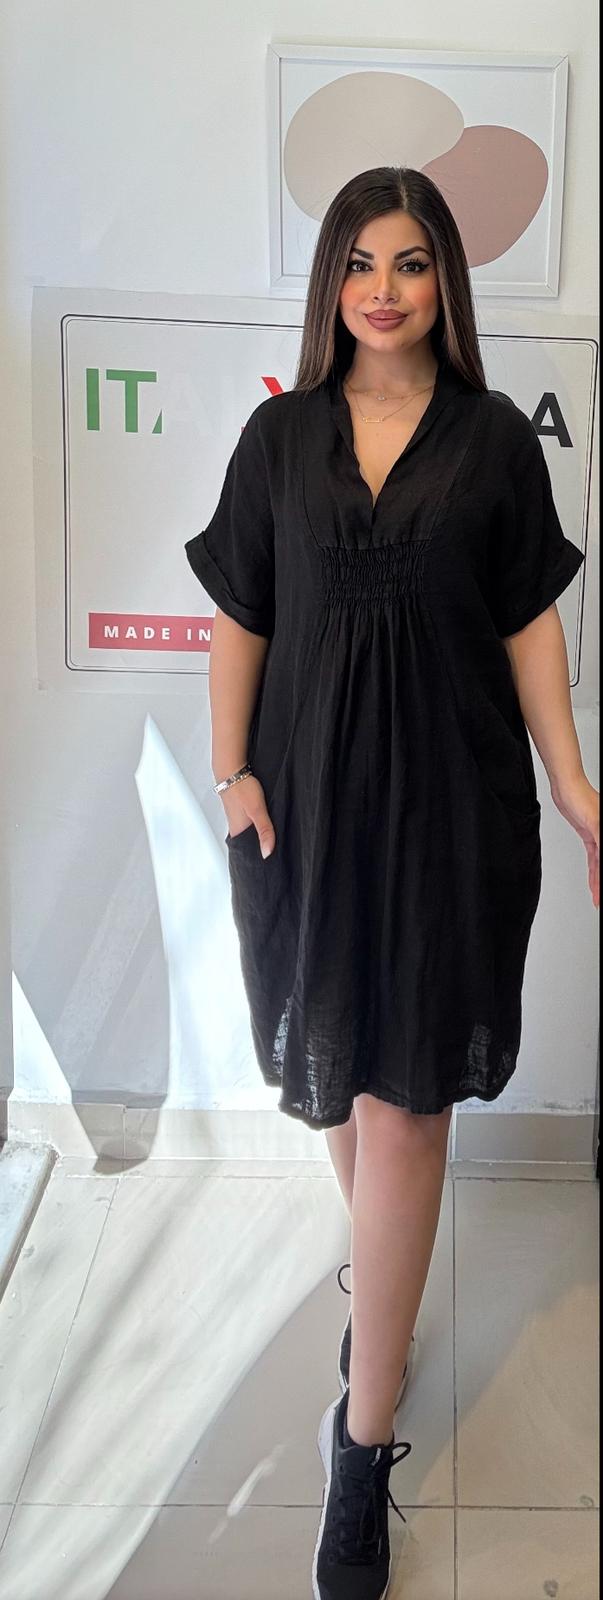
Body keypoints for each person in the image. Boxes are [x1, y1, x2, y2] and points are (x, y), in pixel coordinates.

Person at [184, 166, 599, 1599]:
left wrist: (573, 782)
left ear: (444, 284)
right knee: (340, 1079)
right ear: (330, 283)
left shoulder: (493, 441)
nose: (384, 289)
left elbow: (531, 620)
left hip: (448, 810)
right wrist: (232, 775)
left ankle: (361, 1457)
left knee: (406, 1100)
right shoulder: (279, 437)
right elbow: (240, 614)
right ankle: (386, 1292)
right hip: (303, 813)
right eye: (360, 263)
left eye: (411, 262)